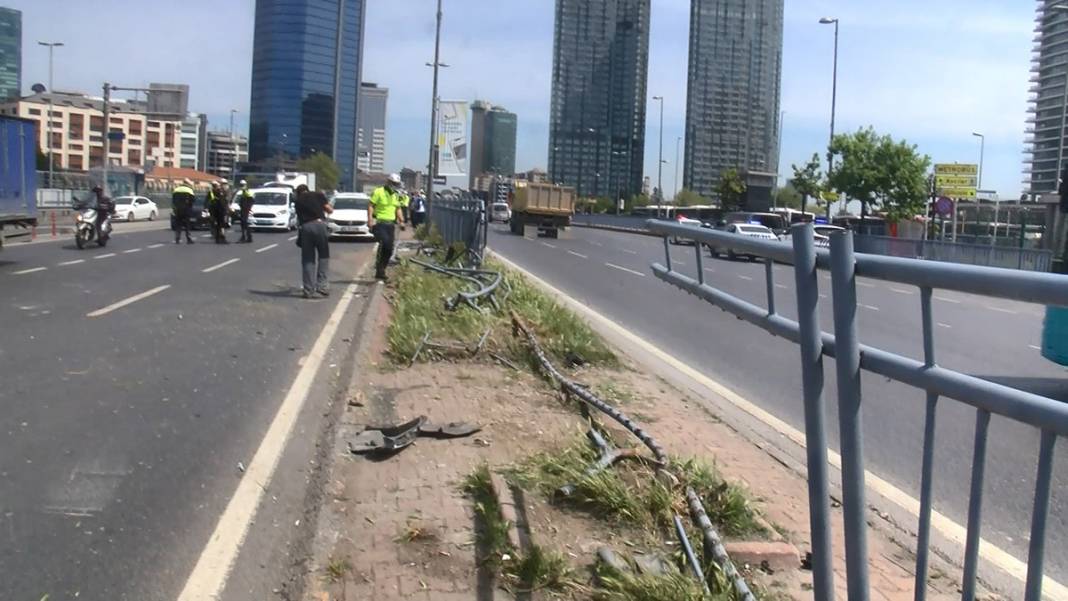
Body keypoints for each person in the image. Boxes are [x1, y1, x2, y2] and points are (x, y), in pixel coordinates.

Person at [294, 184, 334, 298]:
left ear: (298, 192)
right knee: (323, 256)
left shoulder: (298, 201)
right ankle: (322, 286)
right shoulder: (318, 195)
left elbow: (299, 219)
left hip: (306, 228)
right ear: (307, 190)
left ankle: (308, 290)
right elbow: (329, 210)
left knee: (308, 259)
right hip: (320, 225)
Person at [368, 173, 405, 281]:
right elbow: (371, 205)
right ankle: (379, 268)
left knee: (389, 249)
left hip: (390, 224)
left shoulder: (396, 195)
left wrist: (401, 221)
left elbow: (398, 209)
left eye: (396, 184)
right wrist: (370, 219)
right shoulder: (378, 192)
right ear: (388, 182)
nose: (394, 185)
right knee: (384, 243)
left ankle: (382, 269)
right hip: (380, 223)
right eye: (393, 183)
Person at [172, 179, 196, 244]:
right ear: (188, 184)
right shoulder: (190, 190)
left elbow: (173, 201)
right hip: (186, 210)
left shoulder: (176, 190)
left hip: (178, 210)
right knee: (187, 225)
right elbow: (193, 201)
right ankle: (188, 239)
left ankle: (177, 238)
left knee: (178, 224)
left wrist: (174, 209)